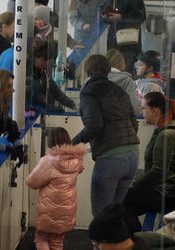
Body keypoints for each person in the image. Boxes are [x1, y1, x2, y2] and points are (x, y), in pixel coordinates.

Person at [72, 54, 139, 216]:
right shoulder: (119, 90)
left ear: (88, 71)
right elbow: (133, 122)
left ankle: (100, 242)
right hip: (132, 155)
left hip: (111, 159)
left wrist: (71, 143)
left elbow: (94, 125)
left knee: (101, 217)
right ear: (107, 70)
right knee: (115, 216)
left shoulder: (89, 92)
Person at [124, 92, 175, 232]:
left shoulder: (166, 135)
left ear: (155, 111)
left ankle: (139, 242)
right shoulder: (165, 131)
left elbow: (158, 171)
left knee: (123, 200)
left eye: (144, 108)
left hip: (168, 194)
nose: (141, 111)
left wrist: (135, 185)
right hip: (167, 189)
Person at [26, 127, 87, 250]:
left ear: (50, 142)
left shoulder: (48, 161)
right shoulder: (76, 160)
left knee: (41, 238)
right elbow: (80, 169)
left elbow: (32, 182)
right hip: (66, 211)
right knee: (57, 241)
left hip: (48, 211)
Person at [27, 41, 76, 112]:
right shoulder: (26, 73)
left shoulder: (43, 72)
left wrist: (70, 103)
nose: (46, 63)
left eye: (48, 60)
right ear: (36, 56)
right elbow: (35, 100)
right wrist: (54, 110)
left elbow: (54, 89)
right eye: (44, 60)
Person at [102, 0, 146, 74]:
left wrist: (122, 17)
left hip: (128, 44)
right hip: (113, 42)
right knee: (111, 71)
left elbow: (141, 17)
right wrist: (106, 17)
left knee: (127, 72)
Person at [106, 48, 141, 115]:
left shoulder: (92, 80)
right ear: (122, 63)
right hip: (119, 123)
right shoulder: (127, 82)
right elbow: (135, 108)